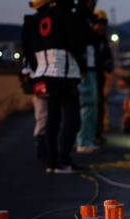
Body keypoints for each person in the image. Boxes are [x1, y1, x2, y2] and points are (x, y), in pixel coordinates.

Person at [25, 0, 86, 173]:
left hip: (45, 72)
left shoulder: (35, 20)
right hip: (65, 73)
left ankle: (52, 162)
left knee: (53, 118)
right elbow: (78, 43)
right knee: (72, 119)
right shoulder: (66, 16)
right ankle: (64, 160)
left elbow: (29, 49)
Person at [21, 8, 48, 162]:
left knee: (42, 113)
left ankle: (42, 141)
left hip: (36, 76)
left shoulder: (29, 25)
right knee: (45, 112)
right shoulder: (43, 26)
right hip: (42, 75)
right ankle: (43, 143)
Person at [75, 0, 101, 154]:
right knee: (87, 105)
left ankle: (85, 140)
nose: (94, 4)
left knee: (88, 106)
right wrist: (82, 66)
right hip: (84, 69)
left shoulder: (85, 19)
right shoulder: (81, 19)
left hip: (88, 67)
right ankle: (83, 141)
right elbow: (79, 45)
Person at [92, 9, 114, 145]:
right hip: (89, 75)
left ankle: (97, 134)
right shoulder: (91, 39)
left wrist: (108, 64)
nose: (100, 27)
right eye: (98, 24)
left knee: (99, 106)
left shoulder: (103, 41)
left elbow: (108, 58)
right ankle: (87, 136)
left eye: (103, 24)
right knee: (89, 107)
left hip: (99, 76)